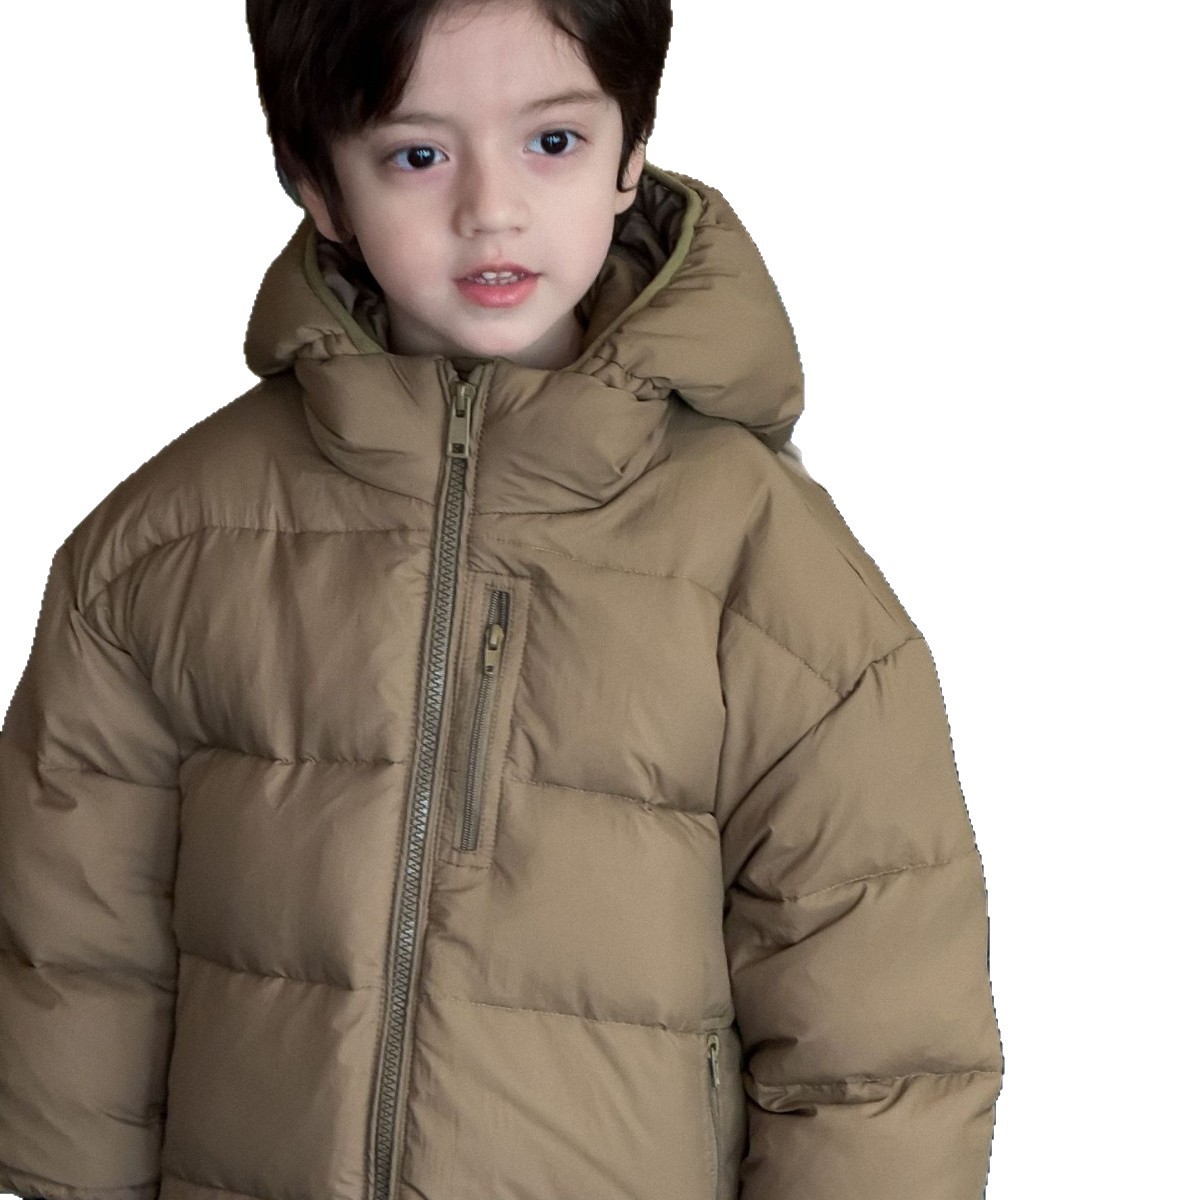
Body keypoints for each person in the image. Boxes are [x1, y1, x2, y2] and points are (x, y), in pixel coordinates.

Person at [0, 1, 1003, 1198]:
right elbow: (76, 955)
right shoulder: (165, 550)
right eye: (418, 154)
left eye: (553, 142)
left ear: (631, 153)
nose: (491, 207)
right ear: (318, 185)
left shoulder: (768, 572)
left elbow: (878, 1030)